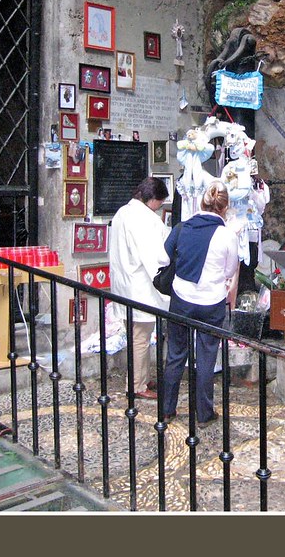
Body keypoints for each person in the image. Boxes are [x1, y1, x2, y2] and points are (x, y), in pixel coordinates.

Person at [160, 179, 240, 427]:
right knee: (206, 356)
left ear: (201, 203)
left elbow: (164, 256)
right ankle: (204, 414)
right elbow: (230, 271)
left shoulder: (181, 228)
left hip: (181, 298)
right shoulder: (227, 235)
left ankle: (167, 410)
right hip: (211, 302)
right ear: (224, 208)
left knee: (175, 354)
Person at [108, 177, 172, 400]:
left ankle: (141, 377)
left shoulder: (122, 213)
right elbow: (155, 255)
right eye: (160, 202)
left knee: (135, 336)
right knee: (140, 339)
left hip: (124, 285)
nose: (160, 207)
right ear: (153, 199)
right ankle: (136, 385)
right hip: (140, 287)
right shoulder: (145, 219)